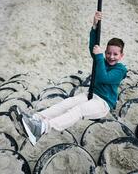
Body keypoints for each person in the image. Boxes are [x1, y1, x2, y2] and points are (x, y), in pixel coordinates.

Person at [10, 11, 127, 146]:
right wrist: (94, 26)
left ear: (121, 56)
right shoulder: (103, 60)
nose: (111, 56)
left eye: (115, 54)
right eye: (108, 53)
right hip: (91, 94)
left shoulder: (120, 70)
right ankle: (34, 119)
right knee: (66, 104)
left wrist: (100, 56)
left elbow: (103, 77)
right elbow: (93, 47)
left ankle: (42, 128)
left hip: (103, 103)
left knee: (77, 111)